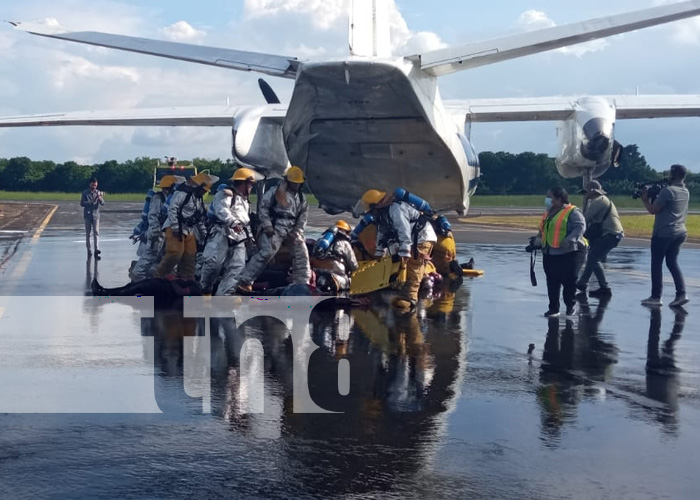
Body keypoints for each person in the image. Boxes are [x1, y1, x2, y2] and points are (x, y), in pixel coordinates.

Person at [358, 189, 437, 312]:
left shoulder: (396, 209)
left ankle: (410, 298)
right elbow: (382, 233)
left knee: (413, 264)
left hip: (422, 237)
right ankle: (403, 290)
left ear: (377, 205)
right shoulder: (383, 214)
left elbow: (403, 230)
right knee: (400, 263)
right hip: (413, 238)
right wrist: (379, 253)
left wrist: (405, 252)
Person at [236, 166, 310, 292]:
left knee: (302, 253)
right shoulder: (275, 192)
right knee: (266, 253)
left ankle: (301, 282)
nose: (296, 186)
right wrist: (267, 226)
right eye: (294, 183)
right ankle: (245, 281)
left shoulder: (301, 198)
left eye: (298, 183)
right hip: (275, 227)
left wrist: (298, 231)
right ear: (288, 181)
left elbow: (303, 217)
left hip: (292, 229)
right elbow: (263, 208)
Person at [199, 168, 256, 296]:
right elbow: (222, 210)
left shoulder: (244, 201)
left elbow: (245, 221)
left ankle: (224, 296)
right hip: (221, 233)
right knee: (213, 265)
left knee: (237, 268)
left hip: (239, 237)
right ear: (243, 183)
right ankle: (205, 290)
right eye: (251, 184)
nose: (252, 187)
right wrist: (233, 222)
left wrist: (250, 238)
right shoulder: (225, 194)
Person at [640, 164, 690, 308]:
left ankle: (656, 296)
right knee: (672, 262)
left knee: (656, 264)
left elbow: (653, 210)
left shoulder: (668, 191)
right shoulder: (685, 191)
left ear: (673, 175)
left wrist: (645, 199)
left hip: (664, 233)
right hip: (680, 232)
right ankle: (681, 294)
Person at [155, 172, 218, 281]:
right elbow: (172, 209)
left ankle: (186, 277)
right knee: (175, 252)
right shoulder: (182, 193)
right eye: (203, 191)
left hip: (188, 229)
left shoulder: (198, 200)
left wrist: (204, 236)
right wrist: (175, 227)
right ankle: (160, 275)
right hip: (174, 227)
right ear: (199, 187)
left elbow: (198, 219)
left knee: (190, 254)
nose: (203, 193)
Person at [538, 187, 587, 318]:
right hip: (550, 252)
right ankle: (553, 308)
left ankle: (570, 306)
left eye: (550, 197)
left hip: (569, 252)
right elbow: (543, 229)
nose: (547, 199)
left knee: (569, 281)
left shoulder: (572, 212)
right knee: (552, 281)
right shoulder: (548, 212)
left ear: (559, 199)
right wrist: (537, 240)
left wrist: (570, 240)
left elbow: (580, 226)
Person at [575, 180, 624, 298]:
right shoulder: (604, 200)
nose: (584, 195)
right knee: (594, 258)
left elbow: (585, 218)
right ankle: (602, 287)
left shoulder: (599, 201)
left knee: (593, 257)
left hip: (610, 234)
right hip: (612, 234)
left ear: (592, 191)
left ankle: (585, 283)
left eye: (585, 192)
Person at [130, 175, 183, 282]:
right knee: (150, 257)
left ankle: (164, 282)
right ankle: (138, 280)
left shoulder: (170, 199)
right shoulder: (158, 198)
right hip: (157, 234)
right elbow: (152, 216)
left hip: (165, 235)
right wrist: (155, 232)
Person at [311, 220, 359, 294]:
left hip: (317, 273)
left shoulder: (319, 241)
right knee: (349, 282)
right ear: (345, 232)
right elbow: (354, 265)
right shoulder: (345, 243)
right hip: (335, 276)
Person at [80, 177, 104, 258]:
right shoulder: (85, 193)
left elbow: (103, 203)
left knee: (96, 232)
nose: (94, 186)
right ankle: (89, 249)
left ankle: (96, 249)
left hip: (96, 215)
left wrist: (100, 198)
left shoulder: (98, 192)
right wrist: (91, 201)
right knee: (88, 233)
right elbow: (82, 203)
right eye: (93, 185)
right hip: (87, 215)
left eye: (95, 185)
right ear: (90, 184)